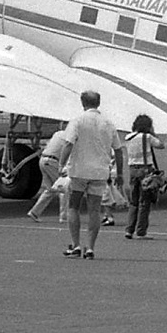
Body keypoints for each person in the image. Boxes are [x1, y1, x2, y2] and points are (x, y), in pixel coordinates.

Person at [62, 90, 125, 260]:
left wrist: (61, 164)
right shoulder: (108, 123)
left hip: (79, 170)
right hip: (100, 172)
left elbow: (68, 144)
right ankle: (90, 247)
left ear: (83, 103)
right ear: (98, 103)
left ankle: (75, 245)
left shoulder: (77, 121)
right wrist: (119, 173)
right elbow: (118, 150)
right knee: (95, 210)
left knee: (73, 206)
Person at [123, 114, 165, 239]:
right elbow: (160, 145)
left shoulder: (128, 137)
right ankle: (141, 231)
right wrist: (153, 133)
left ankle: (129, 229)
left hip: (132, 170)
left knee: (134, 201)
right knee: (144, 202)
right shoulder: (147, 137)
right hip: (145, 169)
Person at [27, 121, 71, 223]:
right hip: (52, 161)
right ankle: (64, 217)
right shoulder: (70, 138)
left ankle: (35, 212)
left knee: (51, 189)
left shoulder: (58, 134)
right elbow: (69, 154)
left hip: (43, 160)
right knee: (64, 188)